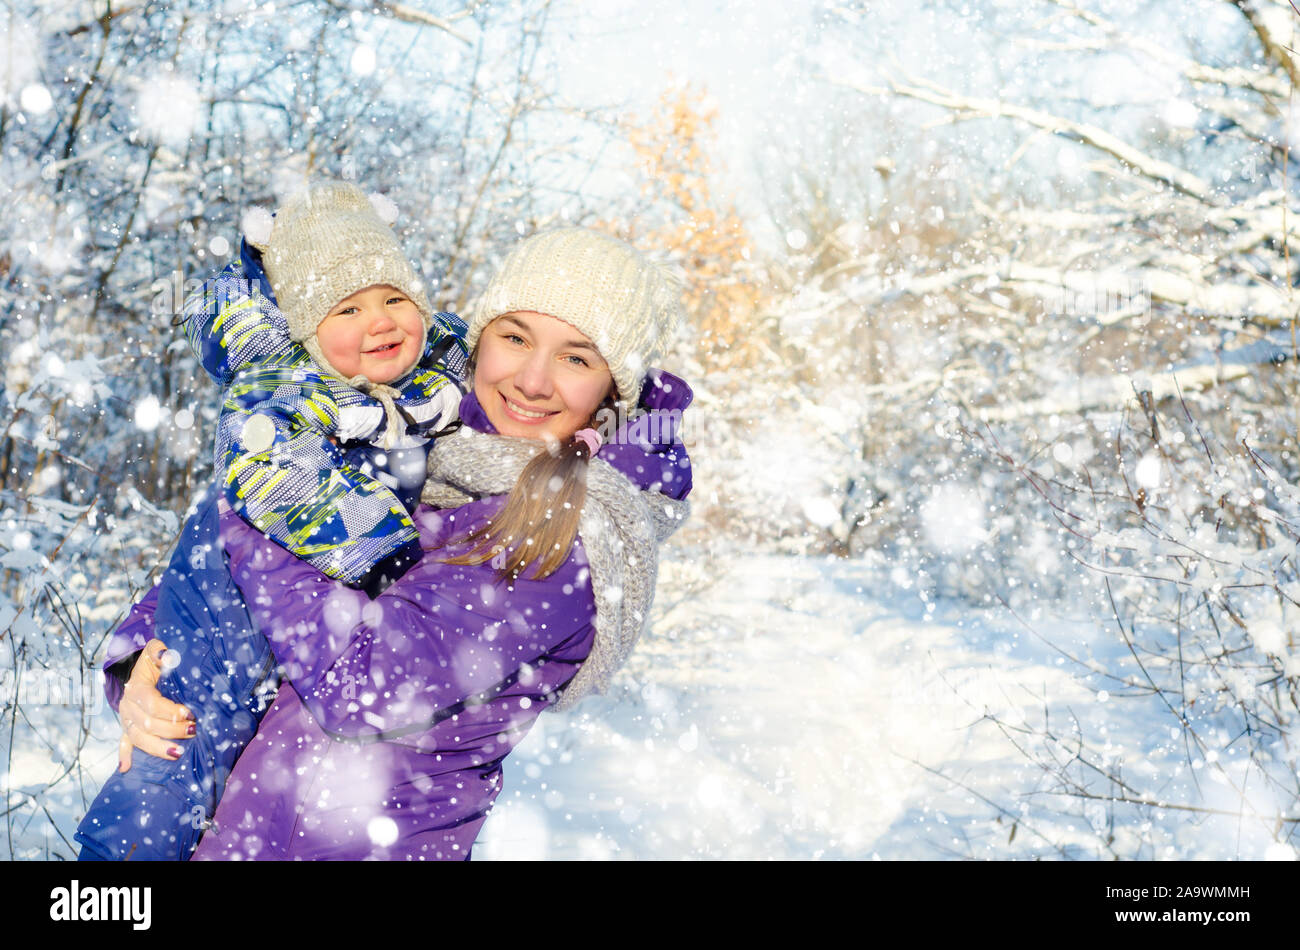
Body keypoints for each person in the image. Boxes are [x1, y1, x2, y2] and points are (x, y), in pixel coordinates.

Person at [94, 228, 693, 860]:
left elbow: (362, 684)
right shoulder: (412, 439)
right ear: (477, 339)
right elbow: (217, 585)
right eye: (515, 337)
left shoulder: (570, 533)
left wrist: (256, 506)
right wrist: (146, 670)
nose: (534, 380)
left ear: (611, 392)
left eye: (576, 358)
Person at [75, 182, 467, 860]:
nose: (381, 320)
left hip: (285, 638)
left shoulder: (425, 384)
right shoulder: (281, 386)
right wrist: (387, 558)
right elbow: (274, 479)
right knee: (176, 758)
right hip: (222, 618)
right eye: (347, 307)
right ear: (308, 330)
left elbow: (494, 363)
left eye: (396, 298)